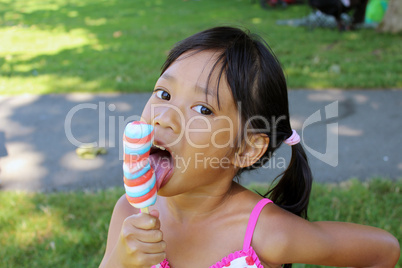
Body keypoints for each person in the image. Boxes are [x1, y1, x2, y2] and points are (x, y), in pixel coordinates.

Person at [100, 26, 400, 268]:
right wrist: (119, 263)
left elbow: (383, 252)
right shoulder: (128, 212)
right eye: (163, 93)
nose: (164, 118)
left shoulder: (267, 234)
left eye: (203, 109)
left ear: (247, 149)